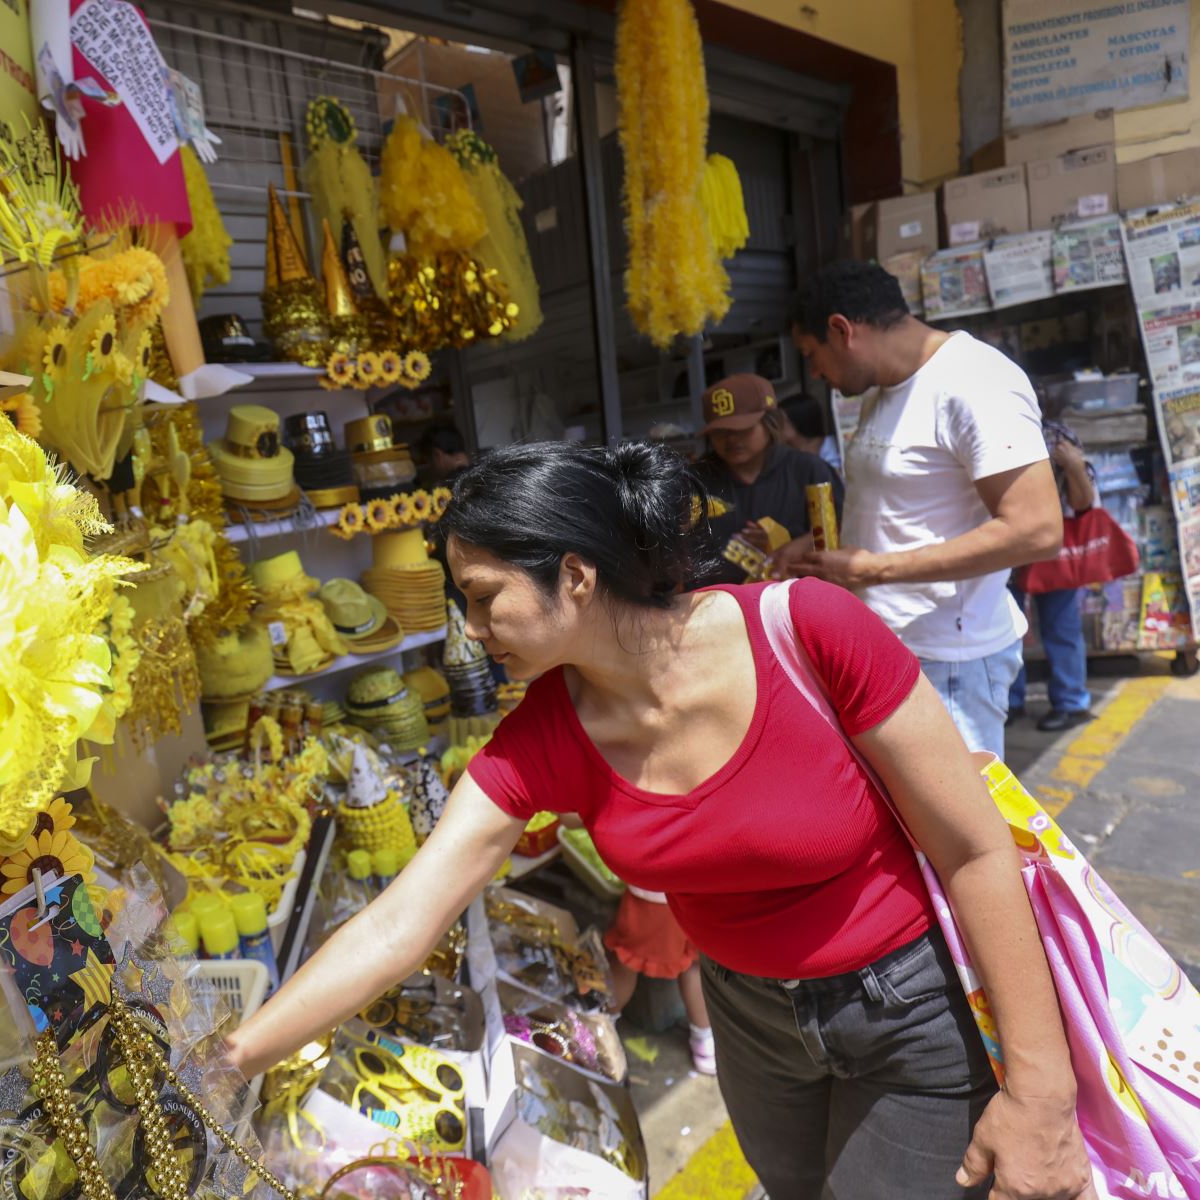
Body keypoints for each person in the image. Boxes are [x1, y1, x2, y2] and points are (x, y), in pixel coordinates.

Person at [226, 442, 1091, 1200]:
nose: (473, 629)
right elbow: (399, 923)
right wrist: (228, 1061)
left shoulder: (805, 630)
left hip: (907, 1009)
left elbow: (974, 850)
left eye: (484, 597)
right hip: (752, 1024)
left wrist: (1042, 1092)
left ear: (574, 572)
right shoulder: (542, 737)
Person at [783, 261, 1063, 755]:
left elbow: (1037, 530)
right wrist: (822, 551)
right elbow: (904, 509)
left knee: (963, 828)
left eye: (812, 355)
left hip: (948, 661)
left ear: (841, 330)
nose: (814, 373)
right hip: (891, 648)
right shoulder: (882, 389)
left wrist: (876, 569)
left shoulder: (975, 380)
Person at [691, 373, 842, 582]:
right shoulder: (694, 480)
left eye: (743, 429)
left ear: (770, 422)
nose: (732, 439)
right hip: (717, 604)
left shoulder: (809, 470)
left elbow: (842, 531)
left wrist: (795, 541)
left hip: (792, 601)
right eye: (721, 432)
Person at [1009, 421, 1099, 732]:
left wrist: (1073, 465)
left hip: (1052, 549)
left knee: (1061, 627)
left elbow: (1084, 503)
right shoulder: (989, 428)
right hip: (1004, 547)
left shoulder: (1059, 437)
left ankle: (1072, 703)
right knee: (1007, 629)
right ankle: (1010, 701)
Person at [604, 883, 714, 1075]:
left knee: (626, 959)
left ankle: (601, 1025)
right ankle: (704, 1041)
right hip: (701, 891)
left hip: (656, 892)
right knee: (695, 963)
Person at [777, 393, 842, 472]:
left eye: (781, 420)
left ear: (798, 420)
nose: (776, 425)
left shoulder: (833, 447)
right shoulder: (785, 454)